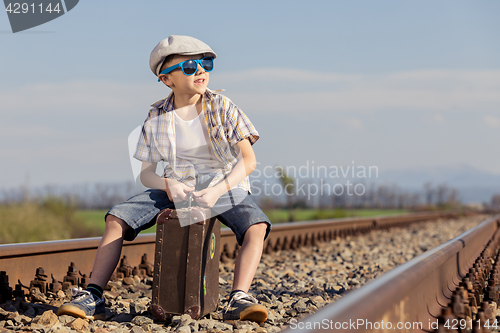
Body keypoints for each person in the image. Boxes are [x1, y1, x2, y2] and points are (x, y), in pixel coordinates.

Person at [57, 35, 271, 323]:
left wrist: (215, 191)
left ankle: (239, 297)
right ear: (166, 78)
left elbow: (248, 161)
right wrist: (167, 185)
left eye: (205, 64)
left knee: (256, 225)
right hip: (175, 187)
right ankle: (93, 296)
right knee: (116, 218)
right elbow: (147, 173)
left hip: (223, 186)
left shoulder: (223, 106)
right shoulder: (157, 115)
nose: (201, 71)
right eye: (190, 66)